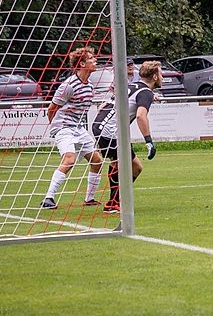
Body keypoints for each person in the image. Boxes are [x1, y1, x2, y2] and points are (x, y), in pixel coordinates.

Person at [92, 61, 163, 213]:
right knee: (131, 166)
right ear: (155, 76)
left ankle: (114, 201)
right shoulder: (145, 93)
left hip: (99, 126)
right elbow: (140, 116)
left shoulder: (132, 86)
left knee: (126, 165)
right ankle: (113, 202)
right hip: (111, 131)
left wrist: (152, 96)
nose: (162, 77)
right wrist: (149, 141)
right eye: (161, 74)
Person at [41, 46, 104, 209]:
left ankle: (89, 199)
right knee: (69, 159)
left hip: (78, 128)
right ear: (82, 64)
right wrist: (56, 129)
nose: (95, 60)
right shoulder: (68, 85)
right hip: (64, 128)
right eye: (91, 58)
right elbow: (51, 109)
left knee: (97, 160)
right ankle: (48, 198)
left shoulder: (89, 86)